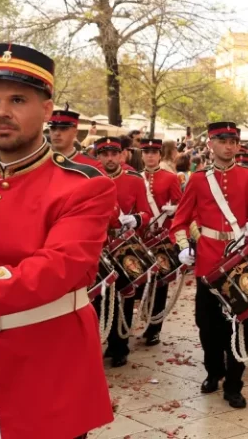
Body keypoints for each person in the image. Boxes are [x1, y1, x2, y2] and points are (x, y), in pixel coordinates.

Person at [0, 43, 116, 438]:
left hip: (46, 371)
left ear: (47, 110)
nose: (0, 111)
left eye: (17, 99)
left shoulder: (84, 186)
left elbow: (56, 269)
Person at [170, 122, 248, 409]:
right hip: (208, 260)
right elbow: (180, 220)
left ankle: (234, 385)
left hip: (242, 260)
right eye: (223, 140)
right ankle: (213, 371)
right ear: (211, 144)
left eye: (233, 141)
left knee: (241, 323)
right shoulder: (198, 179)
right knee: (207, 325)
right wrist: (182, 248)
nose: (229, 146)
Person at [95, 136, 153, 368]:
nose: (110, 158)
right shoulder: (90, 178)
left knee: (124, 296)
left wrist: (135, 219)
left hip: (123, 247)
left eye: (114, 154)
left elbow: (147, 213)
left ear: (122, 155)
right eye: (104, 154)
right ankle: (103, 339)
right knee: (99, 298)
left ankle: (120, 345)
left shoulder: (134, 180)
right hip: (97, 246)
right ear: (98, 156)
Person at [139, 138, 183, 346]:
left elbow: (180, 204)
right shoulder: (136, 178)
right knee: (139, 282)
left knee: (160, 283)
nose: (150, 155)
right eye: (146, 152)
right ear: (142, 155)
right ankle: (145, 320)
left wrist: (174, 210)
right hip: (140, 238)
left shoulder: (170, 177)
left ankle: (154, 328)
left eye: (153, 152)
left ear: (159, 155)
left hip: (162, 237)